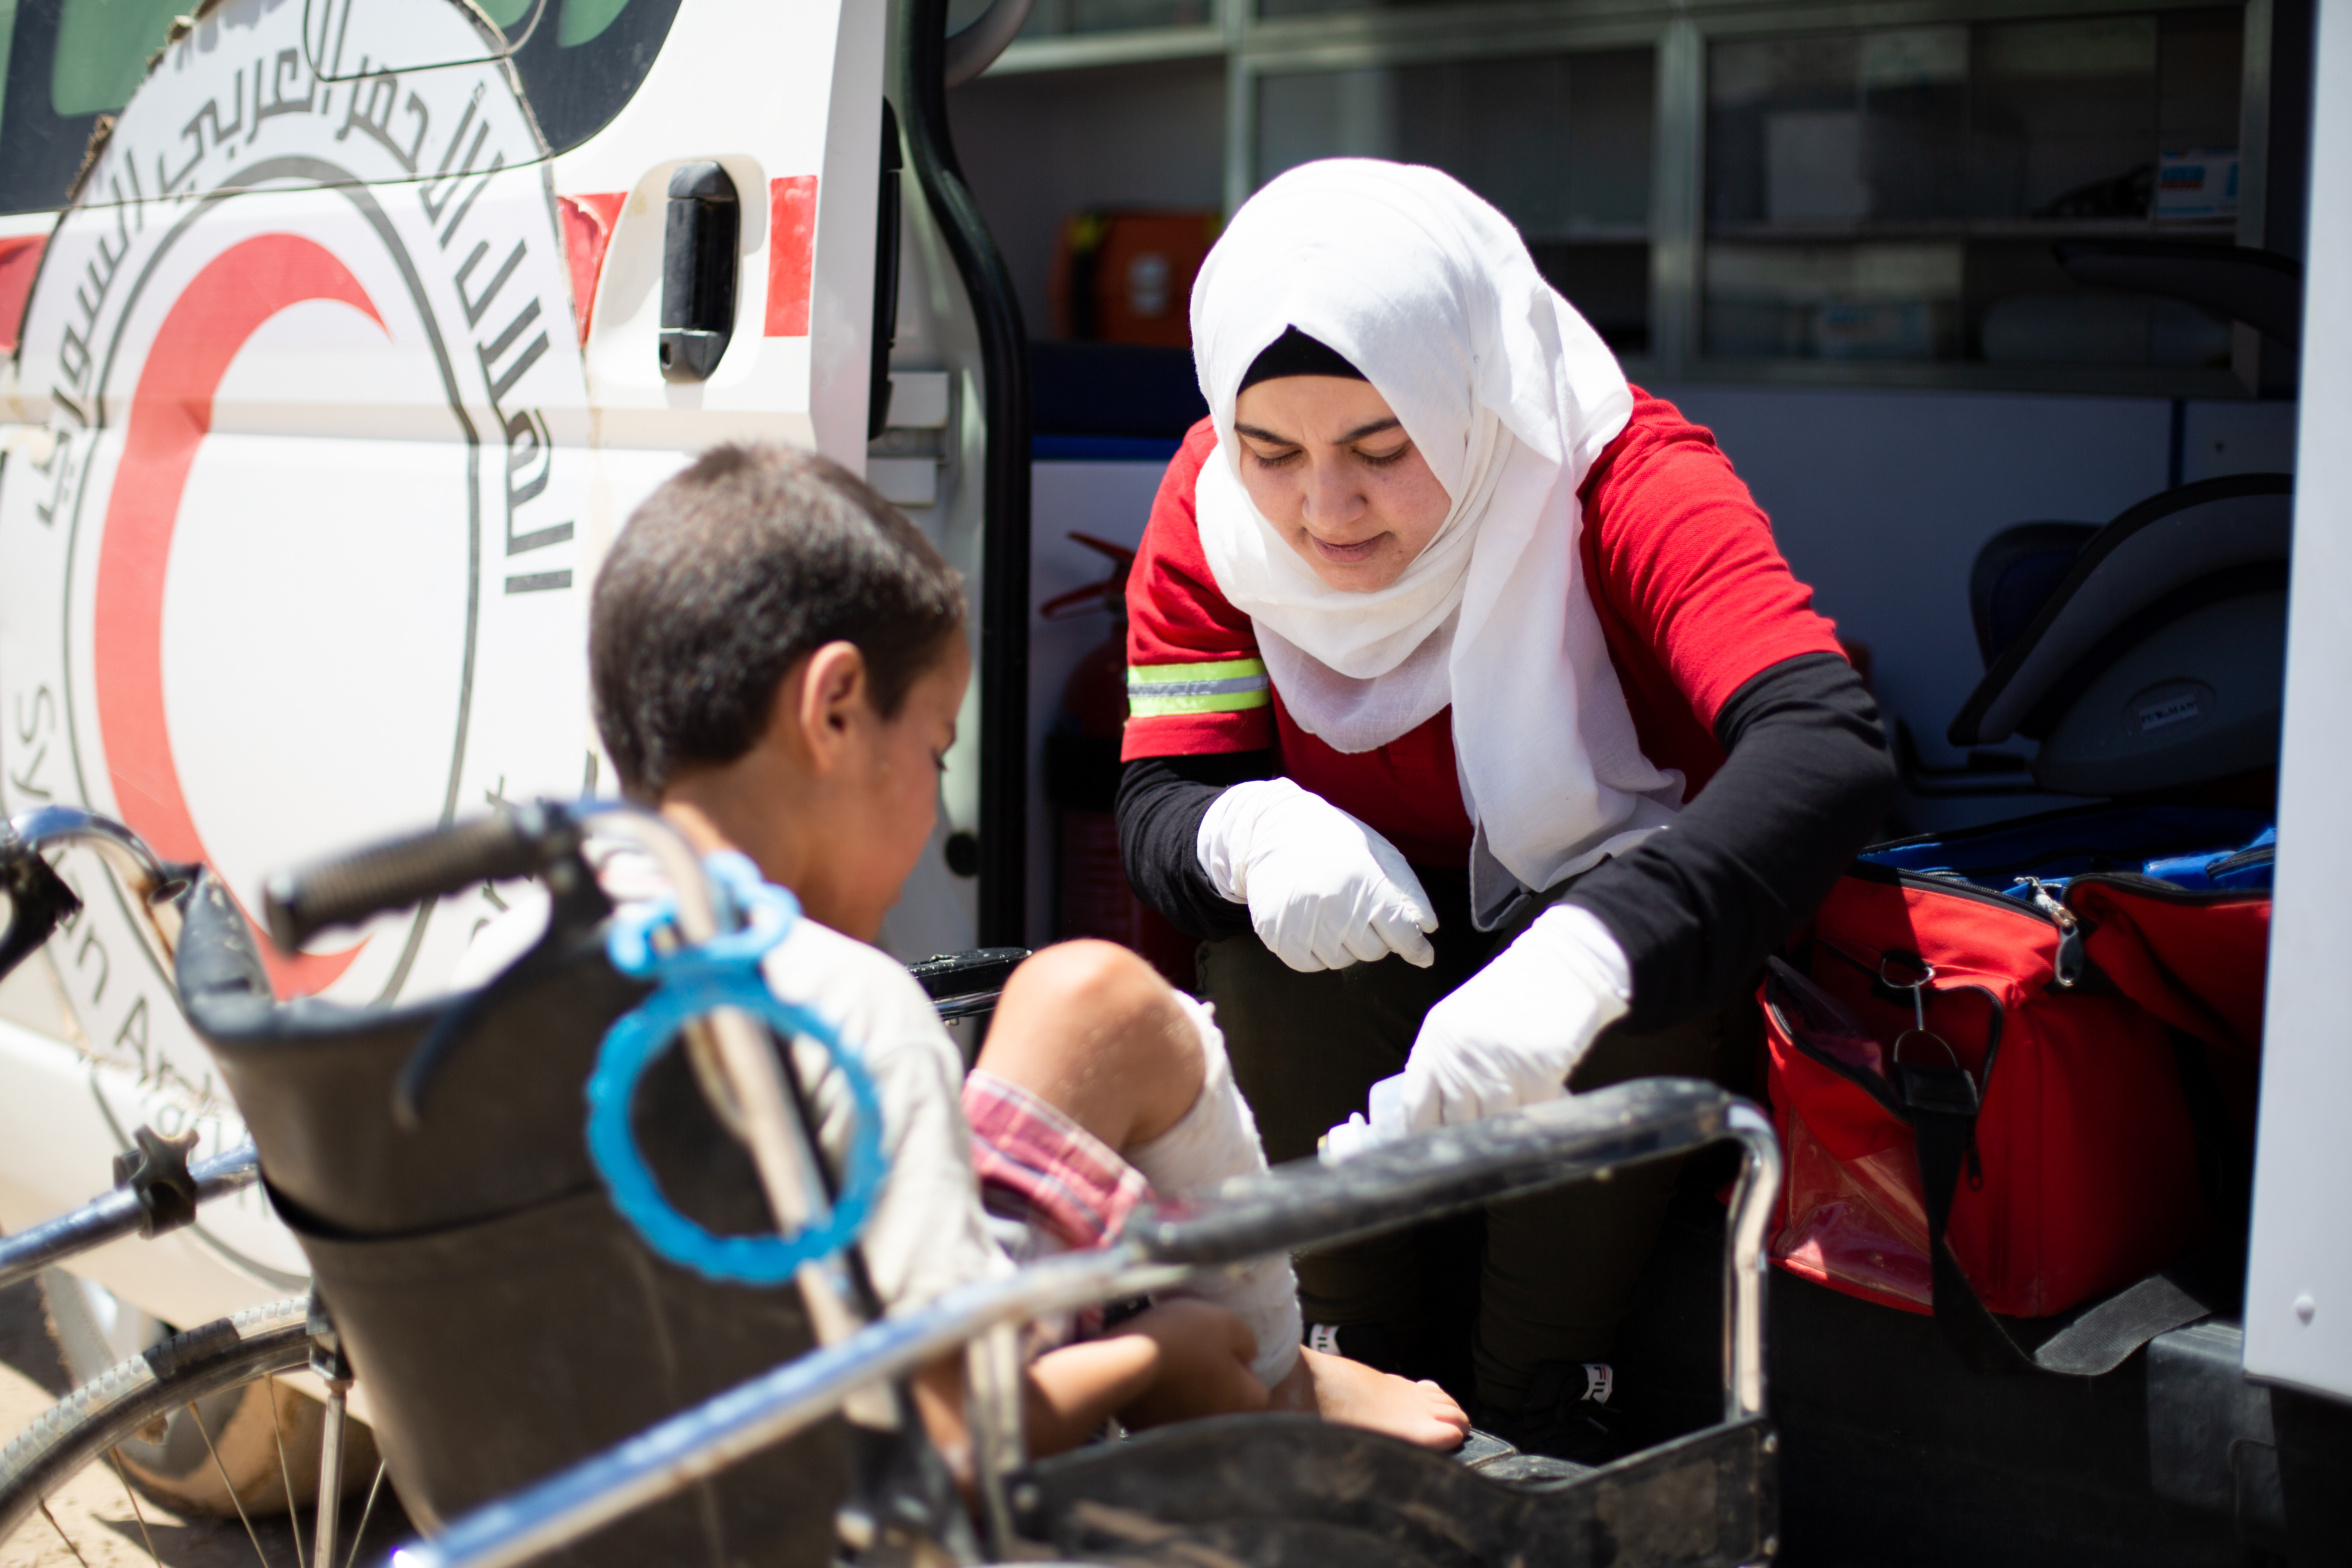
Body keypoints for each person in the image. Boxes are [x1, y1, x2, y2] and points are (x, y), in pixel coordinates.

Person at [462, 441, 1468, 1481]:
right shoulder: (843, 1007)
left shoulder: (492, 969)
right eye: (938, 750)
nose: (937, 802)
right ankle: (1281, 1380)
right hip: (823, 1522)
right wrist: (1144, 1355)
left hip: (578, 1501)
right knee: (1113, 1006)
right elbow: (935, 1438)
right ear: (837, 710)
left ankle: (1270, 1374)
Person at [1116, 160, 1897, 1458]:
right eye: (1276, 452)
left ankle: (1545, 1409)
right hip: (1357, 981)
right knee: (1269, 967)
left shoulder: (1613, 471)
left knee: (1633, 1026)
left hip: (1605, 976)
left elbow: (1826, 745)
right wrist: (1241, 835)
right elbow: (1159, 797)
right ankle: (1343, 1378)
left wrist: (1584, 962)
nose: (1324, 510)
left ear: (1475, 402)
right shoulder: (1214, 508)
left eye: (1383, 447)